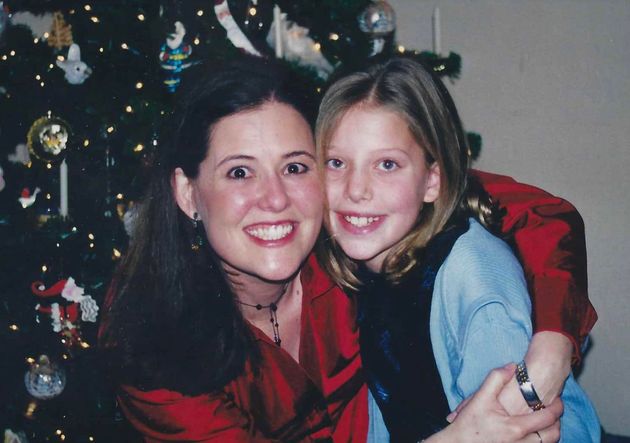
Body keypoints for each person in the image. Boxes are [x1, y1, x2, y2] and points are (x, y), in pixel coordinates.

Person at [99, 56, 584, 442]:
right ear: (188, 194)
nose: (275, 200)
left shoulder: (353, 238)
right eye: (240, 172)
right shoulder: (151, 337)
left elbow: (536, 214)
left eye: (295, 167)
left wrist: (553, 343)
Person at [315, 57, 600, 443]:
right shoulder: (373, 270)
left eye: (386, 164)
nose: (355, 189)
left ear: (432, 180)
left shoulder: (471, 278)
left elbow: (530, 430)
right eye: (336, 162)